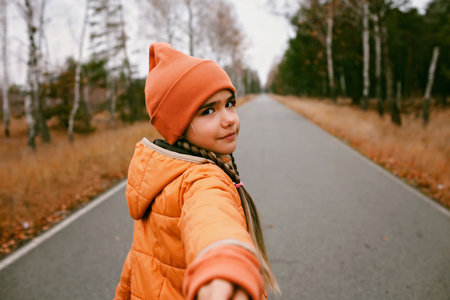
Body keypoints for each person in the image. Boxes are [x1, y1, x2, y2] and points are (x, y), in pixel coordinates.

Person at [114, 42, 279, 300]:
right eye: (208, 110)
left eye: (230, 103)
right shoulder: (201, 179)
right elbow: (211, 219)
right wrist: (222, 267)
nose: (229, 119)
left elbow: (139, 262)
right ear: (178, 126)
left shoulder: (161, 173)